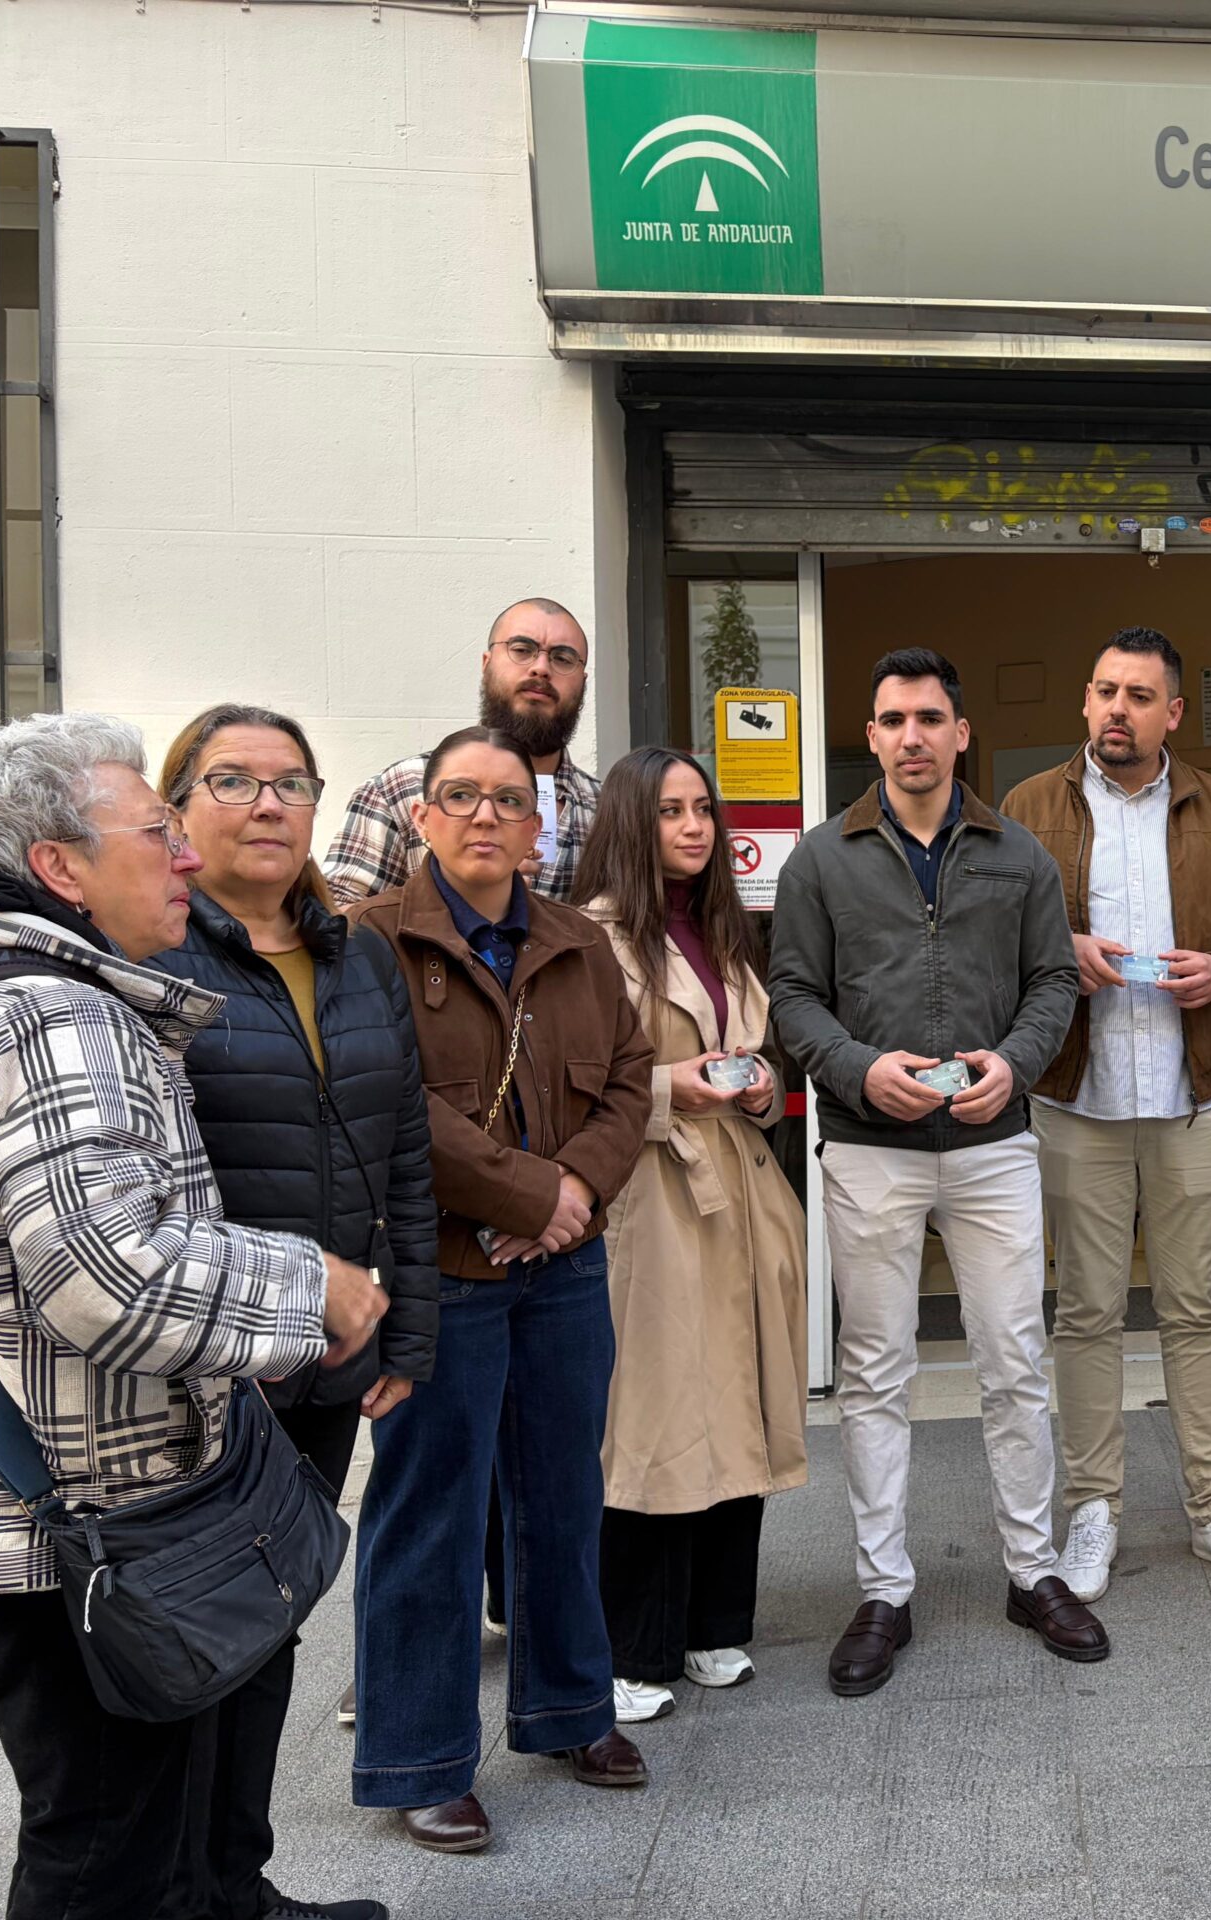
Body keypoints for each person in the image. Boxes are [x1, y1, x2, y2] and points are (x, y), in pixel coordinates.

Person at [0, 713, 387, 1920]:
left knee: (140, 1831)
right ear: (58, 866)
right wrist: (313, 1286)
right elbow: (107, 1277)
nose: (184, 855)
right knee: (101, 1858)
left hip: (62, 1501)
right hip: (83, 1524)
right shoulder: (48, 1016)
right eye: (156, 830)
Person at [151, 705, 443, 1920]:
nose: (269, 803)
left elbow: (405, 1147)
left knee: (269, 1629)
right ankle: (174, 1889)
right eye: (234, 780)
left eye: (292, 783)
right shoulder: (148, 954)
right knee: (186, 1645)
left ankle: (237, 1884)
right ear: (176, 806)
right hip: (204, 1370)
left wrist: (408, 1327)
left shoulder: (355, 952)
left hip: (328, 1363)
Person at [767, 648, 1105, 1694]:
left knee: (1014, 1360)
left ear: (961, 733)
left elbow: (1053, 980)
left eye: (928, 718)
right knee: (875, 1372)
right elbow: (793, 999)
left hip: (993, 1144)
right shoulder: (819, 861)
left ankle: (1033, 1572)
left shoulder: (1019, 854)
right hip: (871, 1146)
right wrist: (860, 1070)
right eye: (891, 719)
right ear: (870, 737)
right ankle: (883, 1590)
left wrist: (1015, 1063)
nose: (910, 736)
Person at [345, 726, 656, 1855]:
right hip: (442, 1274)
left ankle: (570, 1709)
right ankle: (419, 1759)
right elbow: (384, 1097)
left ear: (540, 825)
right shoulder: (370, 943)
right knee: (428, 1514)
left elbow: (629, 1081)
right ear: (422, 817)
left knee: (564, 1496)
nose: (486, 816)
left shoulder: (578, 941)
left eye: (508, 800)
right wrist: (529, 1194)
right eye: (461, 796)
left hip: (565, 1273)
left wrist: (573, 1191)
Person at [1002, 627, 1211, 1601]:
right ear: (1085, 702)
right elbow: (992, 936)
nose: (1115, 709)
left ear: (1173, 712)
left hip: (1190, 1094)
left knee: (1195, 1311)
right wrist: (1059, 945)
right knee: (1085, 1313)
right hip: (1076, 1096)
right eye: (1103, 691)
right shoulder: (1027, 808)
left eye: (1137, 695)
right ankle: (1093, 1510)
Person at [575, 747, 809, 1725]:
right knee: (655, 1424)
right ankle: (632, 1647)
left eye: (703, 810)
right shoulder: (594, 936)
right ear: (633, 822)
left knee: (738, 1405)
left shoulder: (722, 928)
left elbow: (750, 1051)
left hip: (741, 1191)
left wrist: (756, 1086)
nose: (693, 827)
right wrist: (675, 1087)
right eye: (671, 811)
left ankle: (716, 1624)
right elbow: (580, 1082)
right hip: (655, 1196)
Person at [323, 598, 600, 908]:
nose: (541, 668)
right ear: (486, 664)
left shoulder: (605, 809)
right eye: (522, 650)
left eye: (563, 658)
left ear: (583, 681)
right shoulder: (400, 788)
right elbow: (334, 920)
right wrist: (450, 890)